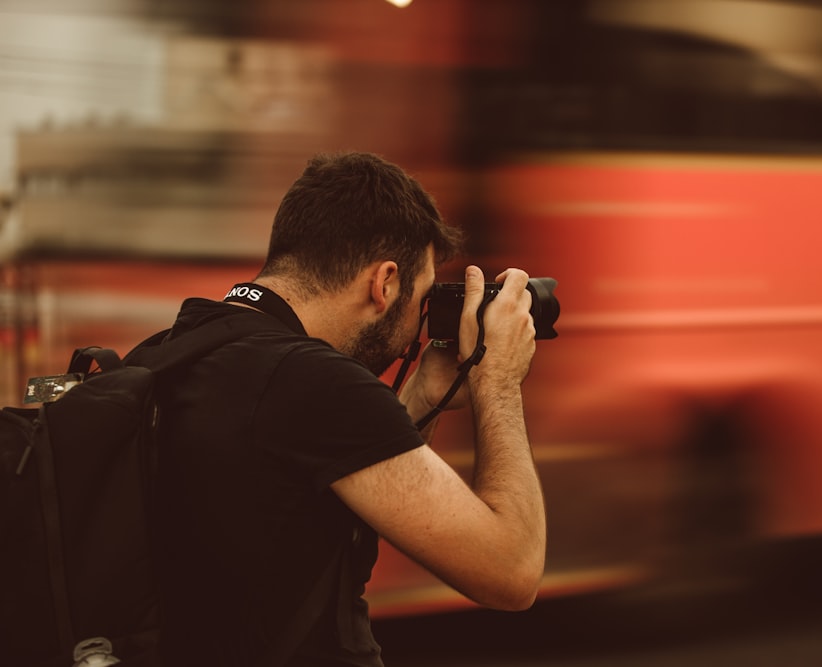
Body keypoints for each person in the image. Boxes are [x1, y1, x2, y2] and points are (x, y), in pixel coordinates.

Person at [144, 152, 546, 666]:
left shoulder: (173, 350)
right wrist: (499, 382)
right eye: (420, 298)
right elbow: (511, 572)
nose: (412, 336)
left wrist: (422, 396)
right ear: (384, 284)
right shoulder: (313, 383)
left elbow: (337, 481)